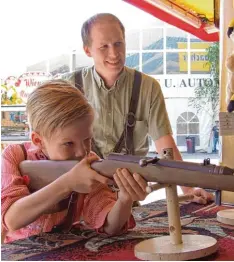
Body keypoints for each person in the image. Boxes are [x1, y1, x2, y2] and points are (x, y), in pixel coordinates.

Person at [67, 13, 213, 204]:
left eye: (119, 43)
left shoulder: (148, 87)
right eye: (104, 46)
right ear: (88, 50)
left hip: (128, 199)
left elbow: (165, 145)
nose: (114, 53)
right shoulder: (68, 87)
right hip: (78, 200)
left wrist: (189, 188)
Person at [1, 80, 148, 243]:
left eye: (87, 139)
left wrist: (125, 200)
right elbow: (11, 220)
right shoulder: (15, 155)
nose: (82, 152)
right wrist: (68, 183)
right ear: (38, 140)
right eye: (68, 143)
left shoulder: (89, 161)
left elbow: (109, 226)